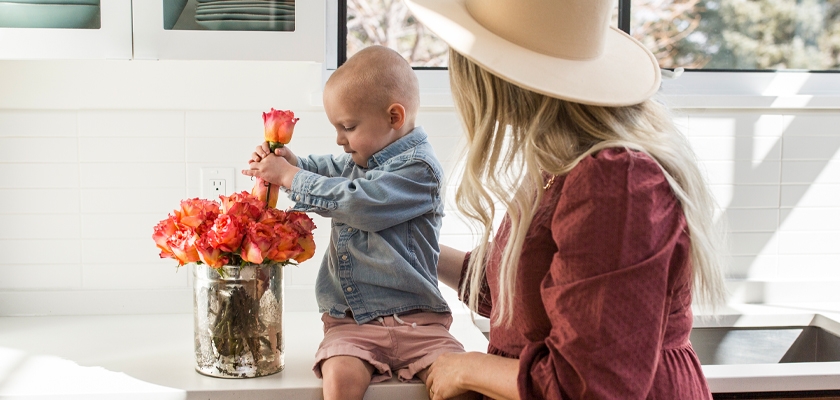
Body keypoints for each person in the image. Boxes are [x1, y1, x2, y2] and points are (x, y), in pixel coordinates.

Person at [401, 0, 727, 399]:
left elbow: (588, 388)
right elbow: (517, 296)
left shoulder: (617, 181)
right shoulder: (561, 163)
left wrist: (470, 367)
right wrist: (412, 249)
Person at [243, 45, 473, 400]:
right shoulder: (364, 159)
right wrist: (292, 162)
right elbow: (332, 170)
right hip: (351, 323)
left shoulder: (419, 171)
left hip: (420, 323)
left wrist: (291, 178)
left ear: (394, 117)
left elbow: (358, 201)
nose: (339, 139)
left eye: (347, 127)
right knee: (339, 378)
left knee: (462, 383)